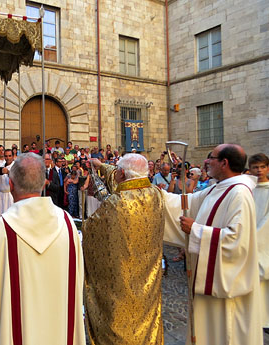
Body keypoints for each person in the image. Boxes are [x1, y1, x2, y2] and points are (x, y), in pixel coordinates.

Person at [0, 153, 85, 345]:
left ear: (11, 185)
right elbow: (79, 278)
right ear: (44, 183)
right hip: (60, 330)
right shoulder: (67, 225)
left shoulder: (0, 230)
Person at [163, 144, 262, 345]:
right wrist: (155, 196)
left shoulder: (239, 193)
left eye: (212, 158)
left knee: (226, 335)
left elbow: (237, 240)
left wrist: (197, 230)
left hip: (226, 290)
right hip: (210, 282)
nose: (207, 161)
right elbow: (186, 202)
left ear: (224, 163)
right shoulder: (219, 187)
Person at [84, 154, 165, 345]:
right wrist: (101, 165)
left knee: (120, 323)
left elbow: (90, 231)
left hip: (121, 283)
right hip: (148, 277)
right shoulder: (157, 194)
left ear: (121, 174)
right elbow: (124, 178)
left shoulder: (116, 203)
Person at [249, 153, 269, 330]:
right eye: (255, 167)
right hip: (249, 240)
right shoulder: (248, 190)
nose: (259, 171)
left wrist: (255, 236)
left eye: (262, 167)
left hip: (264, 241)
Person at [0, 148, 15, 217]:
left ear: (13, 156)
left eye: (9, 156)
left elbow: (18, 178)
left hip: (11, 195)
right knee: (1, 216)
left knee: (10, 216)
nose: (8, 158)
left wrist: (8, 172)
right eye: (6, 156)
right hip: (1, 195)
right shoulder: (1, 166)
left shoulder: (16, 166)